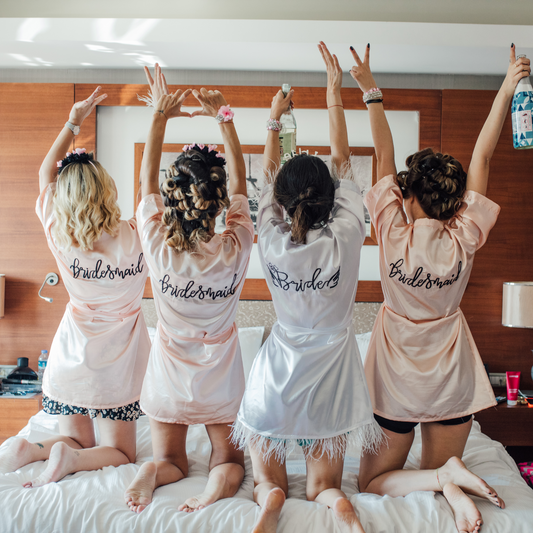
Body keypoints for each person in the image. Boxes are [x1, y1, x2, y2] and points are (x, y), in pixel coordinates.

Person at [349, 44, 529, 533]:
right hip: (450, 381)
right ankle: (450, 478)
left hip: (394, 384)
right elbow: (484, 154)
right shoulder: (464, 237)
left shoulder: (391, 231)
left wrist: (371, 90)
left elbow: (382, 152)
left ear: (406, 196)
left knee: (371, 483)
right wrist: (509, 86)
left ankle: (442, 480)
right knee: (418, 463)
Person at [232, 43, 382, 533]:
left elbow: (267, 179)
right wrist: (335, 94)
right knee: (323, 484)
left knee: (264, 476)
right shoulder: (347, 234)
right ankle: (336, 502)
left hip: (278, 371)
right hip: (333, 371)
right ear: (333, 198)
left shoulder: (271, 240)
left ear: (281, 202)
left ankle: (270, 498)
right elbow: (341, 159)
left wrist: (274, 120)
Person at [0, 87, 151, 486]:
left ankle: (31, 450)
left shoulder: (59, 232)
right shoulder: (137, 236)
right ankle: (68, 459)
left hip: (71, 360)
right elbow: (148, 188)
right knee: (120, 452)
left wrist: (74, 121)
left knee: (73, 437)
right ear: (107, 190)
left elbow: (44, 172)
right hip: (115, 368)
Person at [124, 65, 254, 514]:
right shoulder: (236, 246)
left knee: (171, 460)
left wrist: (159, 115)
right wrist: (225, 117)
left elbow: (144, 186)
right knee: (231, 460)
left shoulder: (158, 247)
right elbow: (241, 185)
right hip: (221, 380)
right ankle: (215, 489)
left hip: (168, 376)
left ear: (173, 196)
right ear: (217, 203)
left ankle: (152, 473)